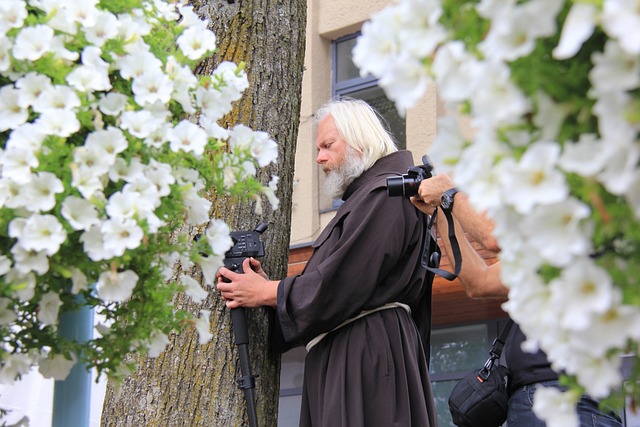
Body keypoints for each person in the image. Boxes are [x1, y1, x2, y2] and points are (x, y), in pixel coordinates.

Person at [217, 98, 437, 427]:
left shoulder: (386, 196)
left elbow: (344, 282)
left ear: (360, 140)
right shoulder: (374, 196)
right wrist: (268, 291)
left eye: (327, 145)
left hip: (367, 356)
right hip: (355, 351)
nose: (320, 158)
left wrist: (269, 292)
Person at [411, 172, 623, 427]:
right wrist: (444, 210)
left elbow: (494, 238)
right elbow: (479, 281)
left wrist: (449, 193)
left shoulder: (581, 238)